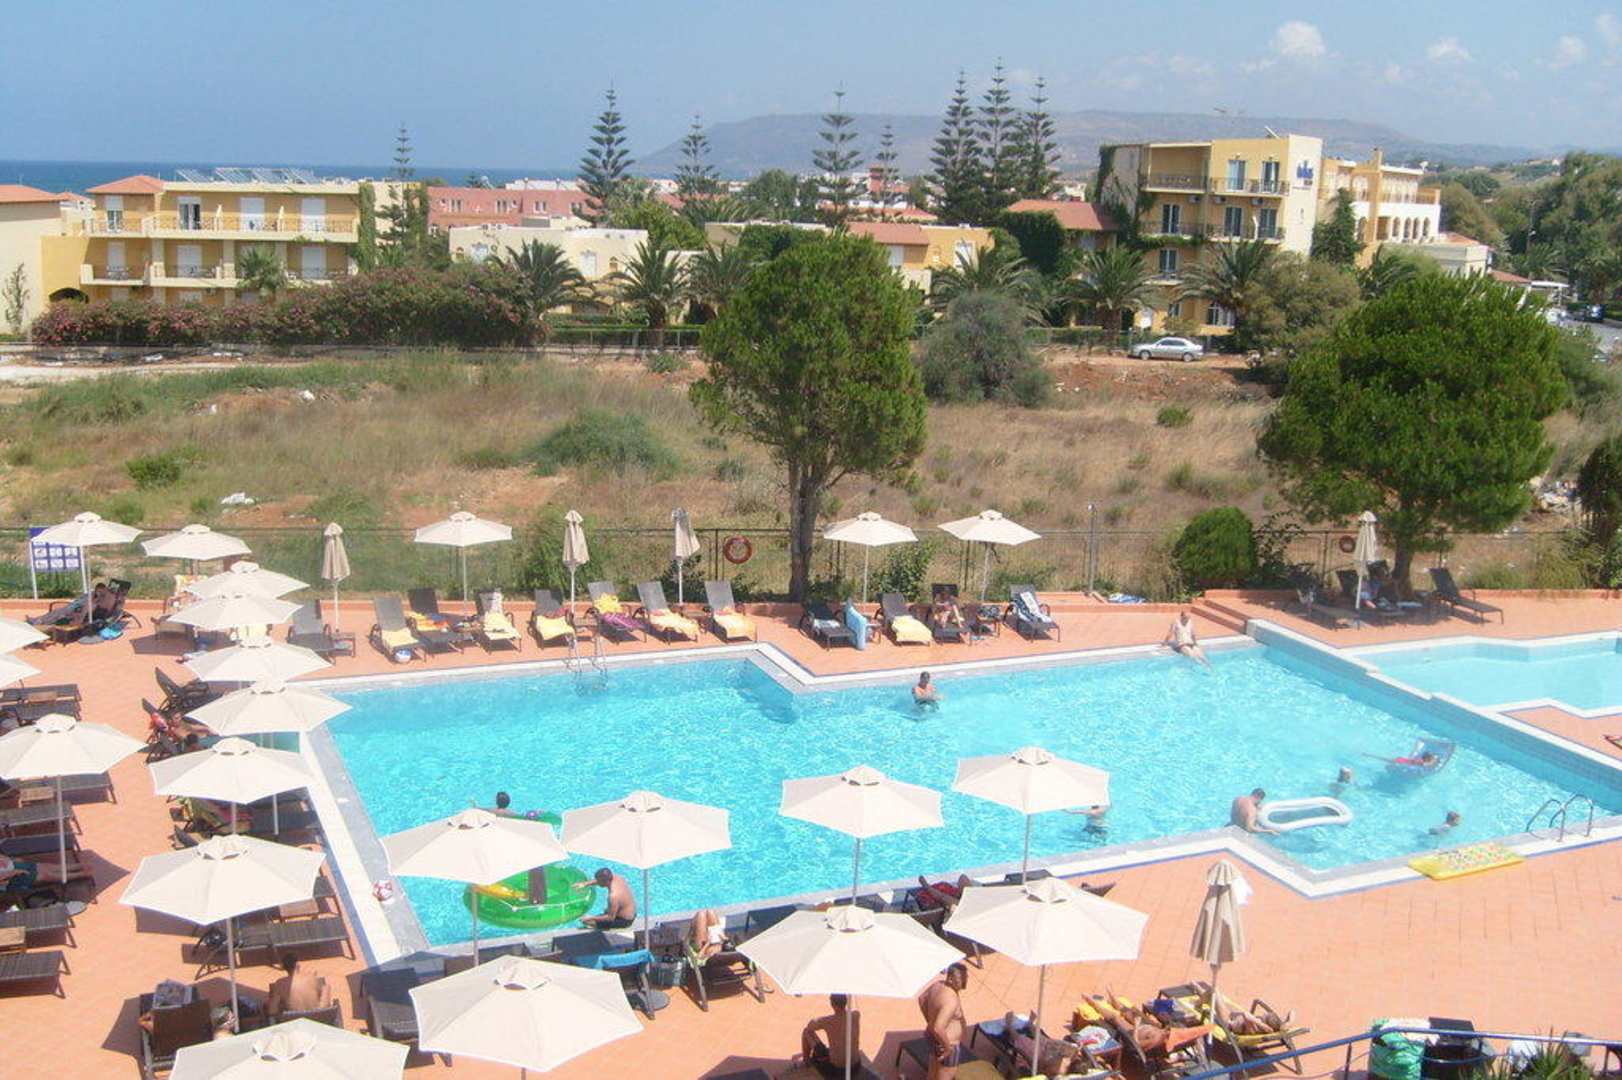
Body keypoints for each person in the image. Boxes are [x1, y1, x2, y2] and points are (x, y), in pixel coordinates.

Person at [489, 793, 548, 905]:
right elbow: (524, 819)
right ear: (508, 802)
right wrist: (538, 813)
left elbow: (481, 811)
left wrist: (475, 806)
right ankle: (536, 899)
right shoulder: (512, 814)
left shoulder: (491, 811)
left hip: (497, 838)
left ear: (496, 801)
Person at [918, 963, 969, 1079]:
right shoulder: (951, 1000)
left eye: (966, 977)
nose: (965, 981)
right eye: (961, 978)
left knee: (932, 1073)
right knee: (945, 1075)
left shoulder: (938, 985)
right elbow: (938, 1028)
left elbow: (921, 999)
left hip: (933, 1038)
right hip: (947, 1043)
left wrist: (930, 1020)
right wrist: (947, 1048)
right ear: (950, 979)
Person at [1002, 1011, 1083, 1077]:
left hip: (1041, 1060)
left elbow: (1042, 1067)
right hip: (1049, 1056)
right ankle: (1029, 1025)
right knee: (1047, 1042)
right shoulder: (1067, 1070)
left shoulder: (1059, 1076)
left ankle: (1009, 1027)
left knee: (1026, 1043)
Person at [800, 993, 861, 1077]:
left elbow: (810, 1026)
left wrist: (819, 1019)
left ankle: (806, 1061)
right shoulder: (856, 1015)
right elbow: (853, 1012)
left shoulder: (828, 1021)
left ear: (832, 1004)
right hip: (855, 1066)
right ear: (846, 1002)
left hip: (836, 1070)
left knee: (806, 1032)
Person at [266, 953, 333, 1019]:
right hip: (316, 1019)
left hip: (295, 1022)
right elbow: (324, 1000)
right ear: (297, 965)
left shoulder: (280, 984)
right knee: (326, 988)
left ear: (284, 967)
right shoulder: (311, 978)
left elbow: (272, 1011)